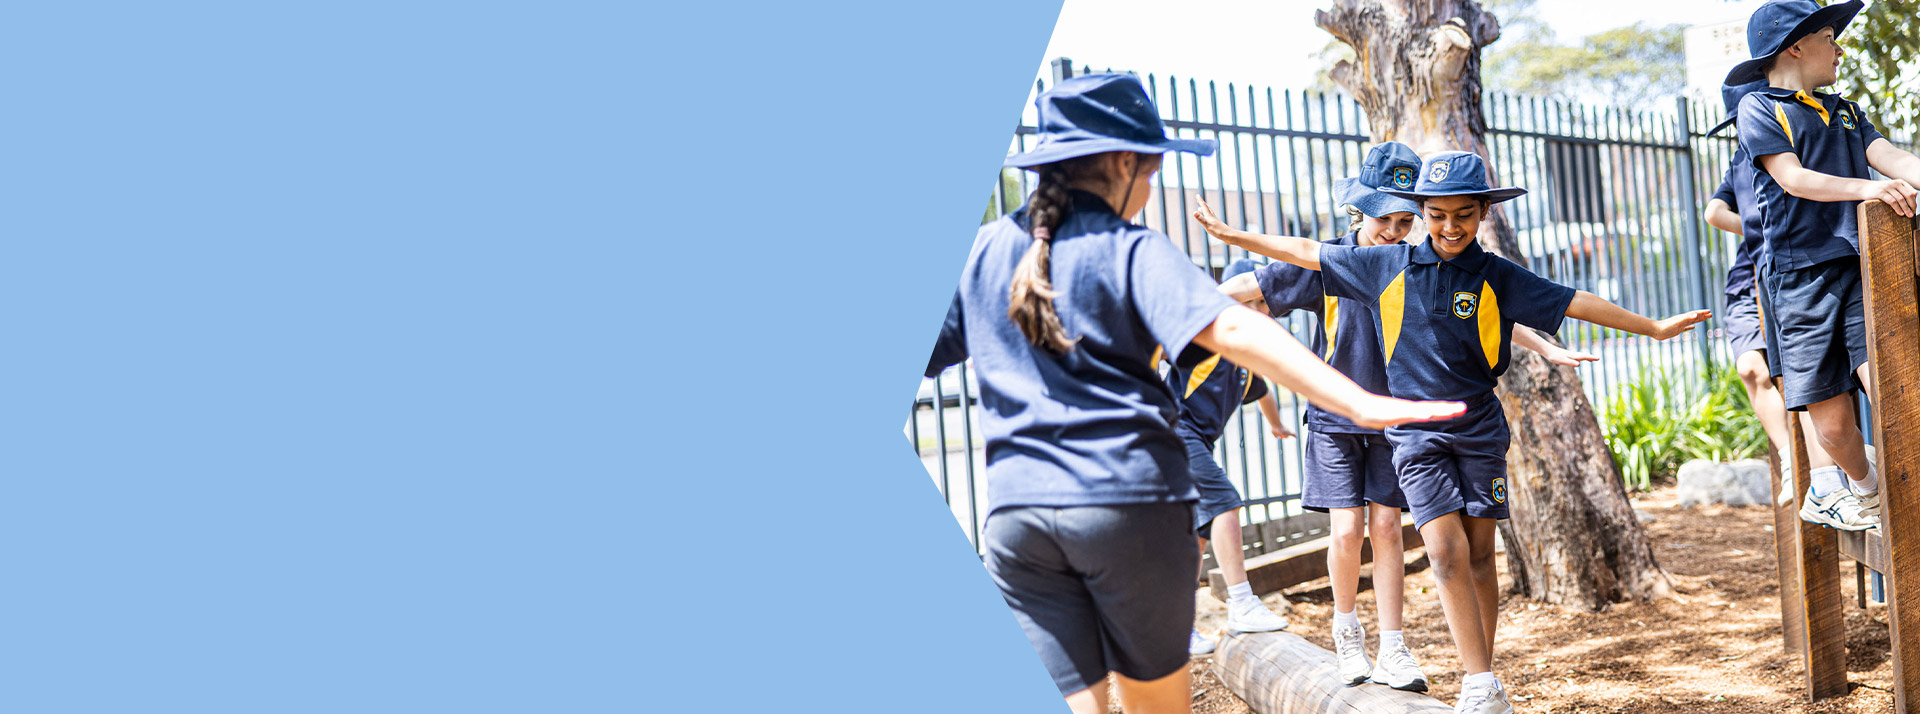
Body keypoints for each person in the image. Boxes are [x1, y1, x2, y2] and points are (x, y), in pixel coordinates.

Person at [924, 73, 1465, 714]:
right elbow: (1231, 324)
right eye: (1153, 169)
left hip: (1017, 523)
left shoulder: (987, 248)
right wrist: (1359, 402)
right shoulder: (1132, 249)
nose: (1152, 187)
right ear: (1125, 162)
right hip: (1128, 508)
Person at [1194, 151, 1710, 714]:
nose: (1449, 226)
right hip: (1414, 432)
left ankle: (1482, 679)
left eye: (1463, 214)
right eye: (1436, 214)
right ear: (1422, 212)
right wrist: (1230, 234)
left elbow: (1573, 301)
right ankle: (1478, 682)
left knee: (1482, 554)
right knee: (1442, 550)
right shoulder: (1384, 264)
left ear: (1484, 211)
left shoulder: (1497, 275)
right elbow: (1302, 253)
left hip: (1480, 429)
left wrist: (1653, 327)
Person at [1726, 0, 1920, 531]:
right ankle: (1867, 489)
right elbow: (1793, 178)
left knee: (1892, 384)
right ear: (1795, 45)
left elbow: (1897, 159)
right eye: (1831, 39)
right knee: (1833, 429)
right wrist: (1870, 189)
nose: (1841, 49)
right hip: (1796, 285)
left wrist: (1905, 177)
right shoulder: (1760, 108)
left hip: (1861, 270)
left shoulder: (1848, 112)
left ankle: (1903, 493)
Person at [1700, 78, 1848, 526]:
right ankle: (1792, 457)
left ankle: (1827, 468)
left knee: (1796, 373)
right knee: (1752, 366)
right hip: (1753, 273)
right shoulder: (1740, 159)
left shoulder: (1799, 141)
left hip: (1800, 267)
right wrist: (1757, 228)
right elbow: (1713, 211)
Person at [1167, 258, 1295, 659]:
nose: (1261, 311)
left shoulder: (1242, 357)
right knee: (1226, 503)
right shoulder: (1209, 338)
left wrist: (1276, 425)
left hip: (1196, 442)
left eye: (1263, 304)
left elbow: (1263, 391)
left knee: (1198, 536)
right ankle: (1241, 604)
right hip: (1173, 432)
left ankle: (1175, 628)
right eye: (1253, 302)